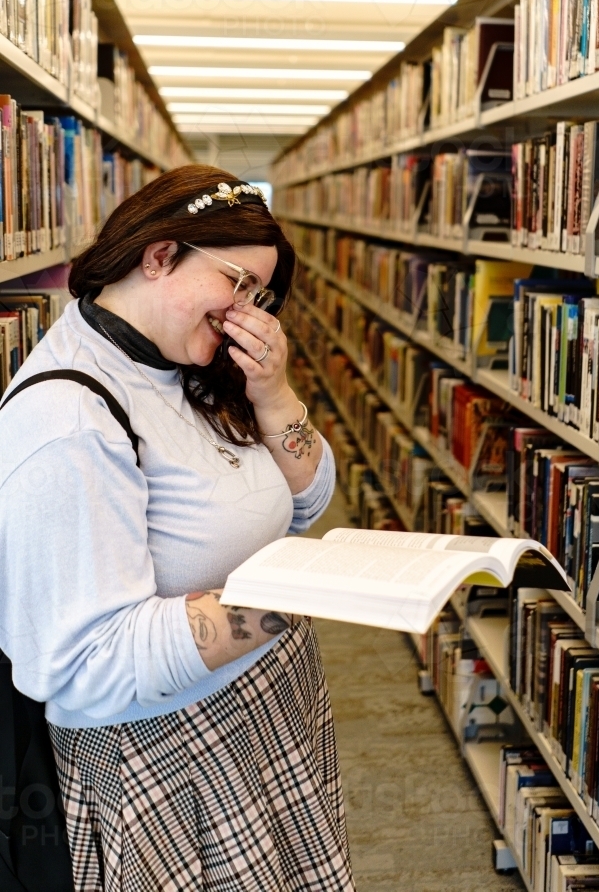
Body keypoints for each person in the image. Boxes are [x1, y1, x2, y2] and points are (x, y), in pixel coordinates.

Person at [0, 166, 356, 892]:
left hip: (266, 708)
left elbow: (309, 503)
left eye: (261, 295)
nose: (247, 311)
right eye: (237, 284)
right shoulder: (67, 419)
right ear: (158, 256)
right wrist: (293, 594)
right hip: (171, 747)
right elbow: (83, 664)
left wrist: (273, 392)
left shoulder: (187, 362)